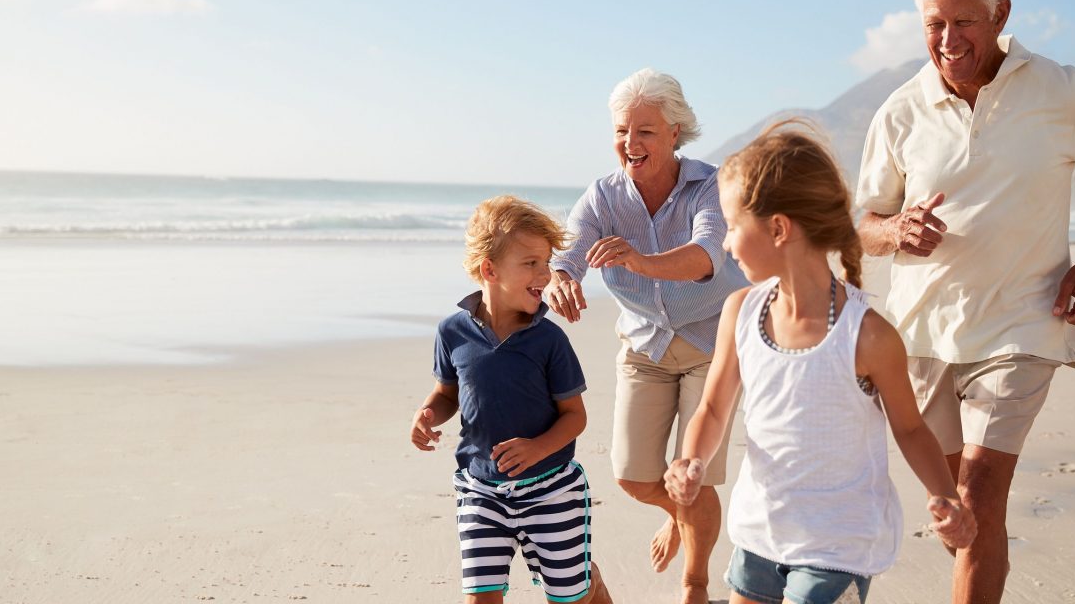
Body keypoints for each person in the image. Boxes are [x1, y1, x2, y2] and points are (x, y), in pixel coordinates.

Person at [856, 0, 1075, 604]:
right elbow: (863, 223)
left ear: (1000, 13)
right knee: (961, 520)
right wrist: (895, 231)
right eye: (934, 24)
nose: (949, 40)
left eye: (965, 22)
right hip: (922, 335)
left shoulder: (1062, 91)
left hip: (1023, 324)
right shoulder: (900, 110)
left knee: (979, 497)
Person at [665, 122, 977, 604]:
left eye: (731, 227)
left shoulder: (868, 335)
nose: (724, 243)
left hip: (838, 544)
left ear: (778, 228)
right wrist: (691, 461)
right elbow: (712, 409)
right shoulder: (741, 312)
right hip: (759, 533)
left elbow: (911, 429)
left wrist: (946, 496)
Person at [547, 68, 747, 604]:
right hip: (645, 347)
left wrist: (639, 259)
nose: (630, 144)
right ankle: (679, 518)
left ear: (675, 132)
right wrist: (560, 282)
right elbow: (564, 256)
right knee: (633, 477)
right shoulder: (603, 197)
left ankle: (696, 584)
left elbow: (707, 256)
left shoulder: (710, 186)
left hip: (713, 344)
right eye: (621, 131)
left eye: (645, 131)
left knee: (692, 475)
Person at [409, 195, 612, 604]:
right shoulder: (452, 332)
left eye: (547, 262)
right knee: (480, 596)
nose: (546, 273)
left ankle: (590, 582)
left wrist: (538, 448)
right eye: (531, 263)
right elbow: (448, 392)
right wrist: (429, 412)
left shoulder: (549, 340)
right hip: (480, 488)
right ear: (489, 270)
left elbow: (575, 417)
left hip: (551, 489)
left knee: (570, 596)